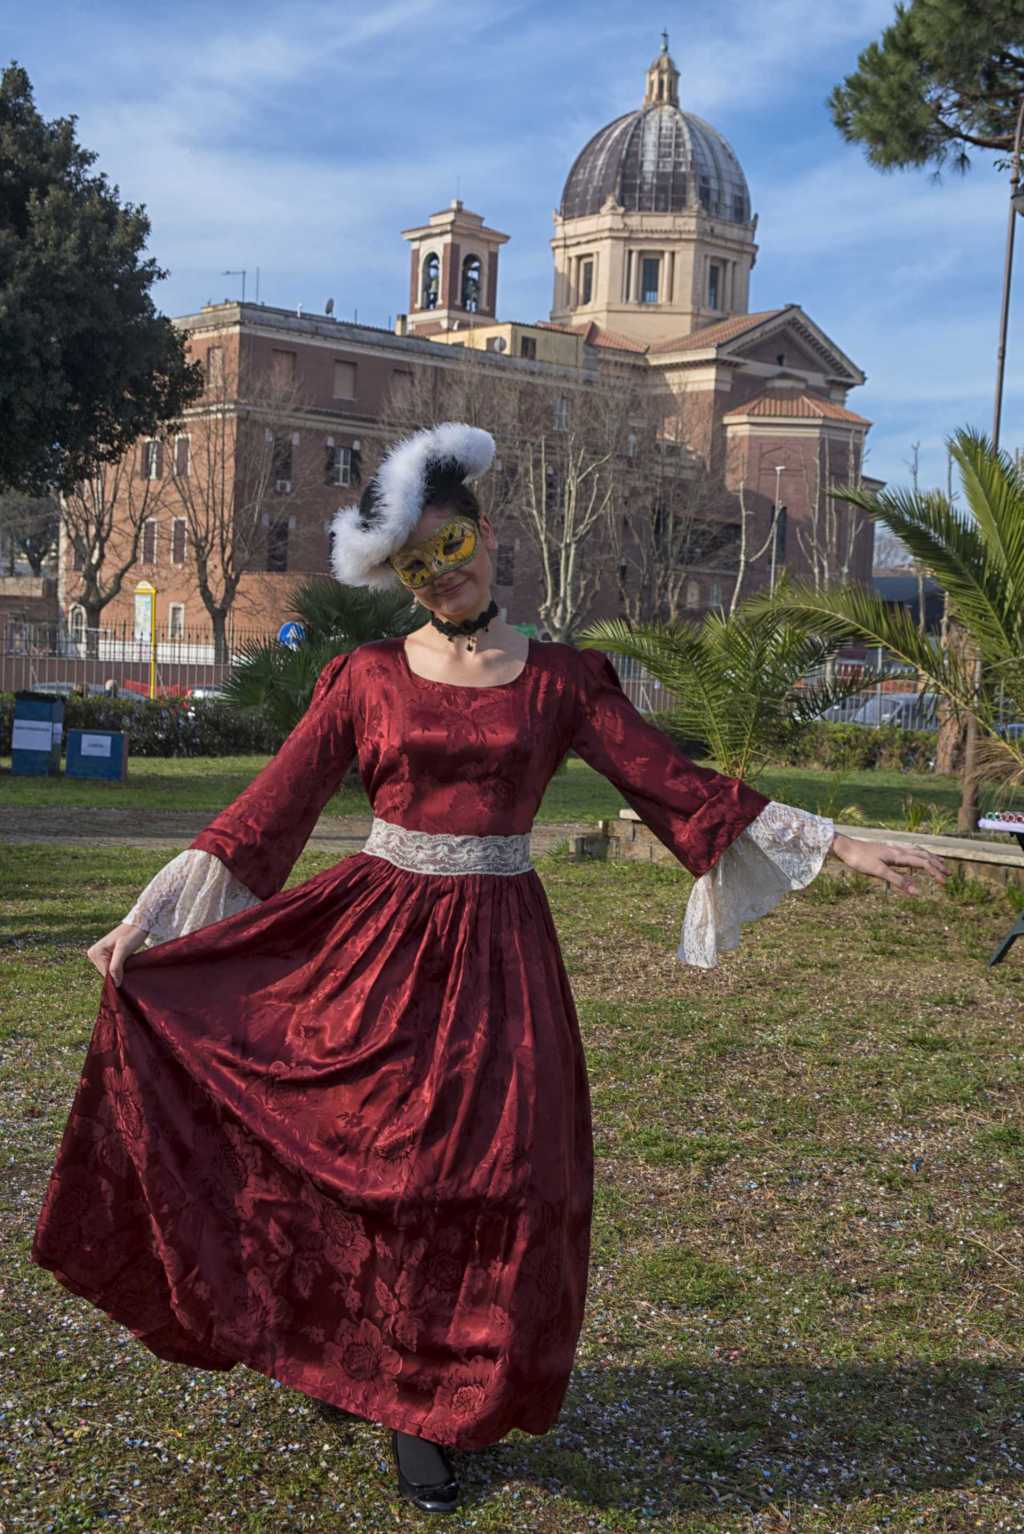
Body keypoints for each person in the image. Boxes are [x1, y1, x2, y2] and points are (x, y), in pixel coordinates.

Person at [30, 422, 949, 1516]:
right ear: (398, 575)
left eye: (452, 543)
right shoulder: (365, 676)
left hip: (499, 954)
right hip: (367, 949)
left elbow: (673, 782)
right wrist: (152, 921)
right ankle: (364, 1362)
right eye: (416, 562)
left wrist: (840, 840)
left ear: (487, 532)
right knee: (364, 1157)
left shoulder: (561, 679)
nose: (442, 571)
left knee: (494, 1176)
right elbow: (269, 807)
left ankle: (427, 1384)